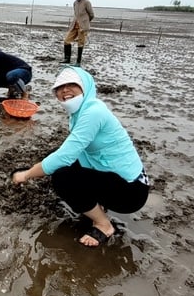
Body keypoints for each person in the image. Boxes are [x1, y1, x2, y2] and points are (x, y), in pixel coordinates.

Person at [11, 66, 149, 247]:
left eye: (71, 84)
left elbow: (63, 157)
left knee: (62, 177)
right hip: (115, 178)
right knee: (58, 161)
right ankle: (99, 204)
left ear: (86, 86)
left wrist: (27, 175)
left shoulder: (94, 112)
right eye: (60, 87)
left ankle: (103, 224)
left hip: (131, 192)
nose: (65, 90)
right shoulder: (80, 112)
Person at [62, 0, 94, 66]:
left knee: (80, 43)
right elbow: (76, 14)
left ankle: (78, 62)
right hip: (74, 25)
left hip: (83, 27)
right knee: (66, 40)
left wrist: (85, 22)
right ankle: (67, 59)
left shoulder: (87, 2)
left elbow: (91, 14)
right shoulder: (75, 3)